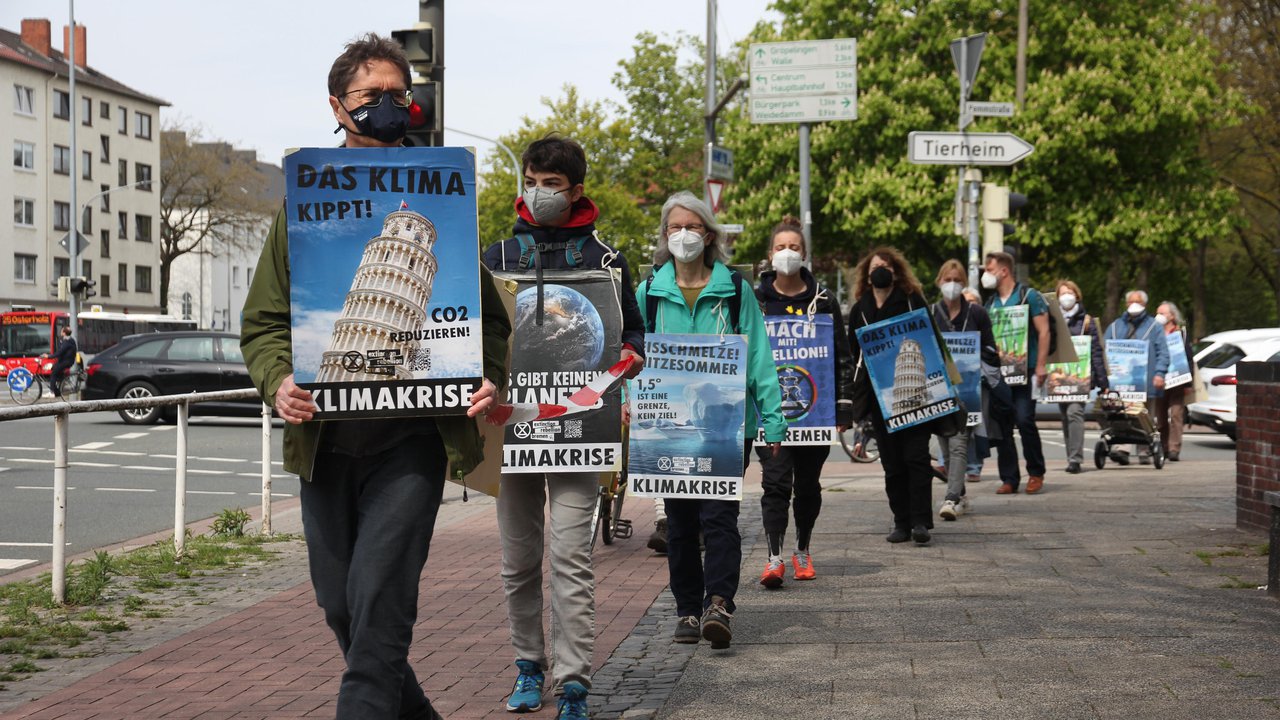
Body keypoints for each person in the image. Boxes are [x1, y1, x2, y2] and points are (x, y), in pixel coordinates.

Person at [239, 34, 511, 720]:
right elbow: (264, 322)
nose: (390, 106)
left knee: (381, 603)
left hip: (412, 439)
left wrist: (487, 377)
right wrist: (278, 381)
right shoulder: (301, 204)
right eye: (372, 95)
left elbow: (489, 323)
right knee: (343, 607)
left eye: (400, 94)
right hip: (325, 443)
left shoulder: (443, 192)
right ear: (337, 105)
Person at [482, 135, 644, 719]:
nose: (538, 193)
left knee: (572, 559)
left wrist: (630, 356)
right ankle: (528, 666)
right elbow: (472, 332)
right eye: (531, 181)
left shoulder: (607, 262)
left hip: (581, 430)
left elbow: (633, 332)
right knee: (518, 561)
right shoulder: (496, 257)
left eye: (551, 184)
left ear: (575, 191)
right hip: (511, 430)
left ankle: (573, 683)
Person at [635, 190, 784, 648]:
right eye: (675, 227)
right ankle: (686, 609)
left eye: (693, 226)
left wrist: (773, 419)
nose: (684, 234)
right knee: (679, 523)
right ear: (664, 234)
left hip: (728, 427)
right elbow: (631, 353)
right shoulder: (649, 292)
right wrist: (628, 400)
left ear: (709, 234)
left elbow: (758, 356)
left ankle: (718, 604)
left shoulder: (735, 290)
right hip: (670, 427)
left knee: (720, 517)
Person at [753, 215, 855, 587]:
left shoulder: (823, 301)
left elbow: (842, 356)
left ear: (805, 254)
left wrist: (843, 406)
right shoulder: (756, 301)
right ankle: (774, 558)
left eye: (794, 247)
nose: (787, 253)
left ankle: (802, 549)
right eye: (781, 247)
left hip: (815, 413)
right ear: (770, 254)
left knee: (808, 486)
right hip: (769, 414)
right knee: (775, 483)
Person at [849, 247, 937, 544]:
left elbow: (931, 340)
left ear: (896, 272)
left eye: (886, 266)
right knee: (892, 465)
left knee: (917, 459)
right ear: (867, 275)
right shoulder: (860, 309)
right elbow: (854, 355)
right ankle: (901, 521)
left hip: (915, 394)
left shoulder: (911, 301)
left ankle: (921, 522)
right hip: (879, 399)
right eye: (875, 266)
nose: (880, 271)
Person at [931, 260, 997, 519]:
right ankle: (961, 494)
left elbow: (991, 349)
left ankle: (951, 498)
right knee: (946, 448)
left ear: (965, 283)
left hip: (968, 391)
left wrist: (973, 355)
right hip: (939, 391)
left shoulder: (977, 313)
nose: (952, 285)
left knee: (959, 444)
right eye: (948, 280)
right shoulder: (931, 313)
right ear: (939, 282)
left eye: (957, 280)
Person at [982, 251, 1049, 494]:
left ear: (1004, 271)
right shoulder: (990, 304)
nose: (985, 275)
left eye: (989, 270)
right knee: (1002, 426)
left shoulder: (1029, 296)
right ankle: (1009, 478)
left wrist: (1040, 365)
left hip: (1026, 370)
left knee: (1024, 419)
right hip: (999, 374)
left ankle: (1036, 472)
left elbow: (1044, 331)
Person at [1103, 290, 1170, 464]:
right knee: (1122, 415)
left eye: (1138, 301)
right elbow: (1104, 351)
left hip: (1145, 382)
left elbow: (1163, 353)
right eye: (1131, 301)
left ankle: (1144, 450)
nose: (1134, 305)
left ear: (1144, 305)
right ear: (1126, 304)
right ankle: (1121, 449)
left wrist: (1159, 374)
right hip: (1121, 383)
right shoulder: (1115, 327)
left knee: (1144, 416)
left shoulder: (1154, 327)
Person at [1054, 280, 1108, 473]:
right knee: (1064, 416)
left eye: (1069, 292)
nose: (1066, 296)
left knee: (1074, 412)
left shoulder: (1087, 321)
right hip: (1059, 376)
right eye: (1062, 293)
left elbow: (1096, 352)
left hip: (1080, 377)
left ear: (1077, 296)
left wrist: (1103, 382)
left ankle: (1075, 459)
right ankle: (1071, 456)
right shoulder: (1053, 320)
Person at [1154, 300, 1190, 461]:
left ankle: (1174, 448)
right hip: (1160, 381)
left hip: (1178, 381)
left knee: (1176, 414)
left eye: (1162, 313)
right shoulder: (1154, 333)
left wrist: (1188, 383)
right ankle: (1164, 447)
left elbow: (1188, 357)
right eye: (1157, 313)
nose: (1158, 316)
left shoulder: (1181, 334)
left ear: (1172, 316)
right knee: (1161, 417)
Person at [45, 326, 77, 398]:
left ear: (64, 333)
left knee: (53, 374)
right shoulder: (69, 340)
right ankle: (57, 391)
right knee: (55, 370)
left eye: (62, 331)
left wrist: (49, 356)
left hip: (65, 361)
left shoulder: (67, 342)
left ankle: (52, 392)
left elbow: (60, 352)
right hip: (66, 361)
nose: (60, 332)